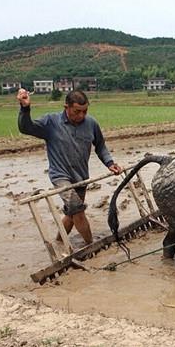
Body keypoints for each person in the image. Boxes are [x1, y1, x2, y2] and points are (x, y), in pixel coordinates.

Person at [17, 88, 123, 245]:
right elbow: (26, 128)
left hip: (80, 176)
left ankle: (59, 242)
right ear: (66, 107)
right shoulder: (51, 122)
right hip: (60, 176)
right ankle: (91, 245)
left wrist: (110, 163)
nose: (81, 116)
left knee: (71, 214)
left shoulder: (91, 124)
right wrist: (25, 108)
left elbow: (100, 146)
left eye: (84, 111)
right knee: (78, 210)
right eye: (77, 111)